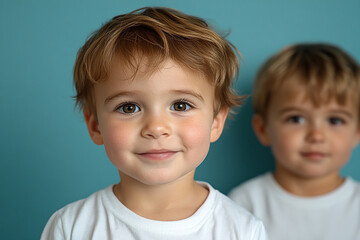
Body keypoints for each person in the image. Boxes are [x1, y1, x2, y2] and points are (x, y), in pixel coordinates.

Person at [41, 7, 268, 240]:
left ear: (216, 122)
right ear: (95, 126)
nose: (156, 128)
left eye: (180, 106)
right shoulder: (70, 227)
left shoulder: (242, 230)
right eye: (129, 107)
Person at [229, 43, 360, 240]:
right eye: (296, 119)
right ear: (263, 129)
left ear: (357, 133)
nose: (316, 136)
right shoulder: (244, 203)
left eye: (335, 120)